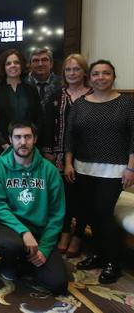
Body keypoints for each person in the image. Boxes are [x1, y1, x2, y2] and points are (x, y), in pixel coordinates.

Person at [64, 60, 134, 284]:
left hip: (114, 170)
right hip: (83, 167)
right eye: (96, 74)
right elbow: (70, 137)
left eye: (106, 73)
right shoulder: (81, 104)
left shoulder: (126, 103)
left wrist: (131, 167)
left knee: (104, 214)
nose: (100, 77)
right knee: (89, 213)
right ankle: (99, 254)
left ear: (113, 76)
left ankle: (114, 261)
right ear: (90, 77)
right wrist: (68, 163)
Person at [0, 122, 67, 295]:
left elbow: (57, 214)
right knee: (10, 245)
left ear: (35, 139)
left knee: (58, 285)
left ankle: (28, 262)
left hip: (41, 231)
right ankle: (12, 263)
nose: (22, 142)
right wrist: (24, 232)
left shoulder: (50, 170)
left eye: (27, 137)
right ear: (10, 139)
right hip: (11, 227)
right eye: (17, 137)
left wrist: (45, 249)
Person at [43, 54, 92, 258]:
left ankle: (78, 234)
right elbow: (46, 125)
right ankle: (64, 232)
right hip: (60, 155)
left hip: (90, 156)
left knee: (83, 197)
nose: (72, 73)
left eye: (76, 69)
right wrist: (48, 152)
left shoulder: (93, 94)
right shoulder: (57, 95)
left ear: (84, 72)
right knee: (63, 196)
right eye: (68, 70)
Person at [0, 49, 42, 152]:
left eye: (16, 62)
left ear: (22, 65)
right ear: (3, 67)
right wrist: (4, 144)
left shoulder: (31, 90)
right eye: (8, 63)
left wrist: (32, 140)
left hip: (28, 144)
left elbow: (39, 118)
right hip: (4, 147)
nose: (13, 66)